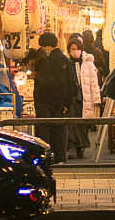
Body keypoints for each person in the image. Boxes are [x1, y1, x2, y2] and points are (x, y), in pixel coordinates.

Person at [29, 30, 77, 166]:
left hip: (43, 101)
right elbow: (71, 83)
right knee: (59, 130)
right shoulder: (65, 60)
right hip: (60, 102)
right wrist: (67, 103)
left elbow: (40, 82)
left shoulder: (42, 61)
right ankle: (60, 158)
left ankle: (44, 158)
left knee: (43, 130)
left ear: (47, 46)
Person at [68, 33, 100, 154]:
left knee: (83, 124)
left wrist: (96, 99)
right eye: (72, 49)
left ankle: (81, 147)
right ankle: (74, 146)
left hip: (85, 97)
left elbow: (94, 82)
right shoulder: (67, 63)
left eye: (77, 49)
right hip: (72, 97)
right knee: (72, 123)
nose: (75, 51)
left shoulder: (88, 63)